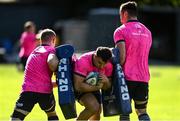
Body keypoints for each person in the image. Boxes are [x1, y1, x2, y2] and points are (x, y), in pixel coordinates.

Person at [113, 1, 152, 121]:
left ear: (124, 13)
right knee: (141, 111)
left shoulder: (120, 31)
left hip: (126, 78)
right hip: (143, 77)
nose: (120, 18)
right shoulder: (147, 32)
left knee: (124, 112)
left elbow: (122, 57)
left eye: (120, 15)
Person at [11, 29, 59, 121]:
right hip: (45, 92)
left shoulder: (34, 52)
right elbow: (52, 62)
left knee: (16, 118)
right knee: (51, 113)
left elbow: (38, 80)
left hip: (28, 91)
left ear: (40, 40)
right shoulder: (52, 50)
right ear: (53, 40)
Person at [73, 47, 113, 121]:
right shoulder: (83, 61)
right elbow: (77, 86)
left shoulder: (109, 65)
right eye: (99, 63)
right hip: (80, 87)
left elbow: (107, 88)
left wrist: (106, 81)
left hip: (94, 87)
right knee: (93, 107)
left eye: (104, 64)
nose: (101, 67)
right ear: (95, 55)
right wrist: (97, 88)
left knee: (97, 112)